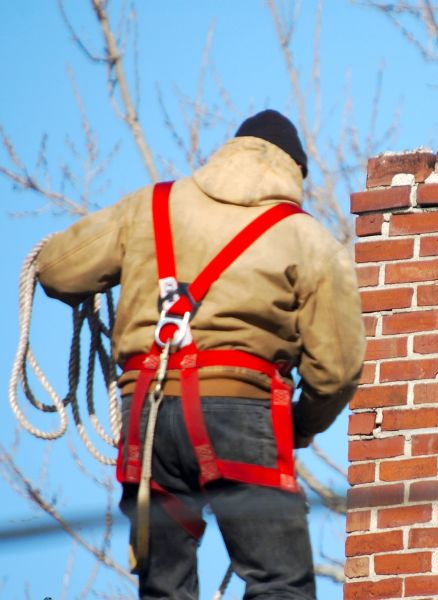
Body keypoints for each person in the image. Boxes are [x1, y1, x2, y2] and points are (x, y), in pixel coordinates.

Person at [36, 110, 365, 599]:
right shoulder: (307, 238)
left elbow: (57, 271)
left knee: (165, 587)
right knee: (280, 581)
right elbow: (337, 370)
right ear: (295, 172)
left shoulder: (149, 206)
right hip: (240, 412)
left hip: (146, 418)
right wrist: (302, 425)